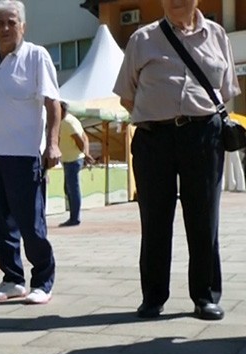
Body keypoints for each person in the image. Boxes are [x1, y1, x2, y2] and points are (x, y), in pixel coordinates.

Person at [114, 0, 237, 321]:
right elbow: (127, 95)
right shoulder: (142, 39)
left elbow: (224, 90)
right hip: (154, 138)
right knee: (154, 219)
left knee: (204, 218)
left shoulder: (217, 35)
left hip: (203, 136)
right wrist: (159, 115)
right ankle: (153, 296)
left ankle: (205, 296)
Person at [0, 0, 61, 305]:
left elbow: (52, 104)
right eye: (0, 23)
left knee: (30, 222)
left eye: (11, 22)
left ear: (23, 26)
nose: (5, 28)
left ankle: (43, 281)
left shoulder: (36, 56)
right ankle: (12, 279)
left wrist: (53, 143)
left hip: (24, 155)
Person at [58, 101, 91, 227]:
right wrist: (85, 153)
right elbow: (85, 136)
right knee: (68, 188)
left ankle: (74, 218)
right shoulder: (69, 120)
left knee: (72, 188)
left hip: (73, 159)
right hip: (69, 159)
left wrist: (83, 153)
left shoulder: (68, 122)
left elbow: (80, 139)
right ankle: (73, 215)